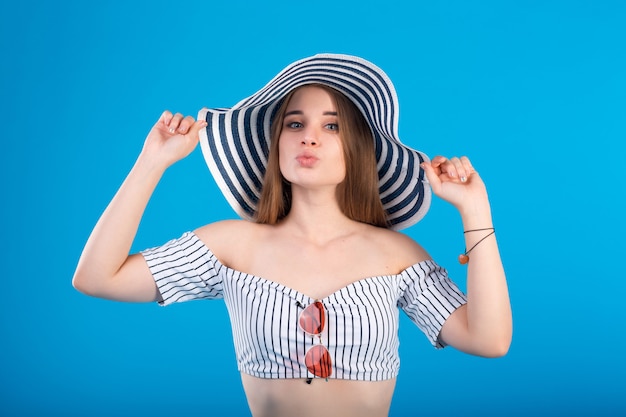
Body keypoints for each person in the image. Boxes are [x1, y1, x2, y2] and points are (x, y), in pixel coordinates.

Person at [73, 53, 512, 417]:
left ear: (357, 147)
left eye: (333, 125)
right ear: (276, 143)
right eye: (295, 124)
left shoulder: (395, 253)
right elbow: (97, 277)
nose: (310, 139)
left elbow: (489, 339)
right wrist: (152, 162)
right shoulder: (230, 246)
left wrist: (475, 208)